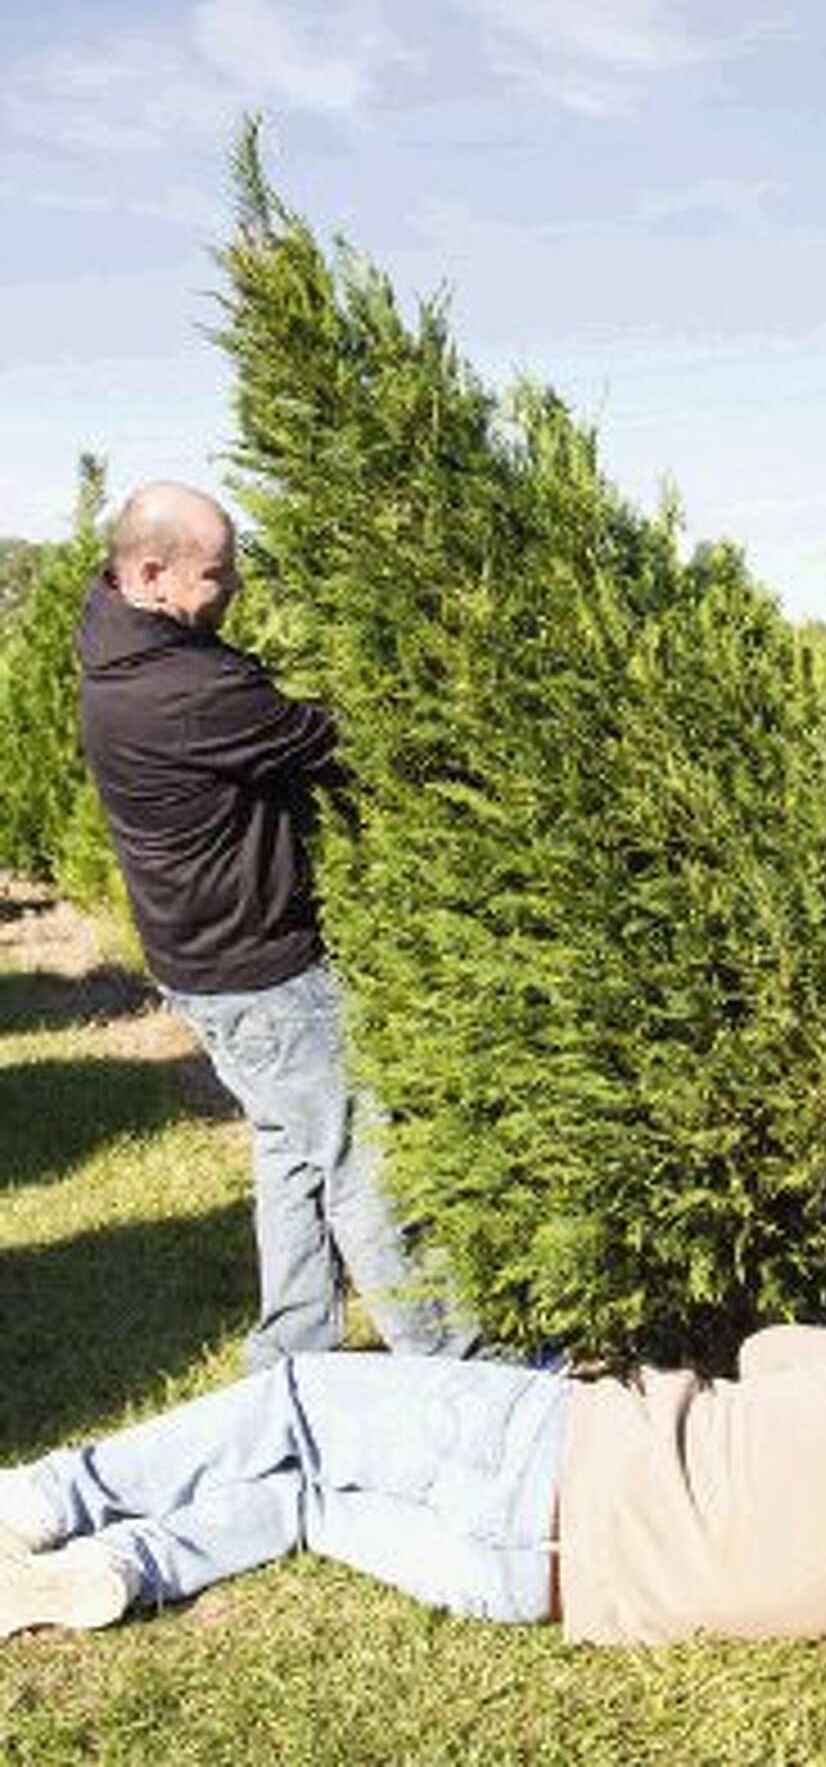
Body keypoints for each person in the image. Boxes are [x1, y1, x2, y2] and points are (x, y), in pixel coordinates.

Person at [0, 1322, 826, 1645]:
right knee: (305, 1502)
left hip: (549, 1453)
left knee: (298, 1402)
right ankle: (117, 1565)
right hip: (527, 1584)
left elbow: (765, 1349)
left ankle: (48, 1496)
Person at [76, 481, 468, 1370]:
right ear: (149, 573)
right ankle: (453, 1358)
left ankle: (292, 1354)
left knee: (289, 1151)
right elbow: (335, 740)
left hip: (203, 966)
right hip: (264, 973)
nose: (236, 587)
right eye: (218, 574)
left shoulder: (114, 646)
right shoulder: (184, 689)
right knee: (360, 1156)